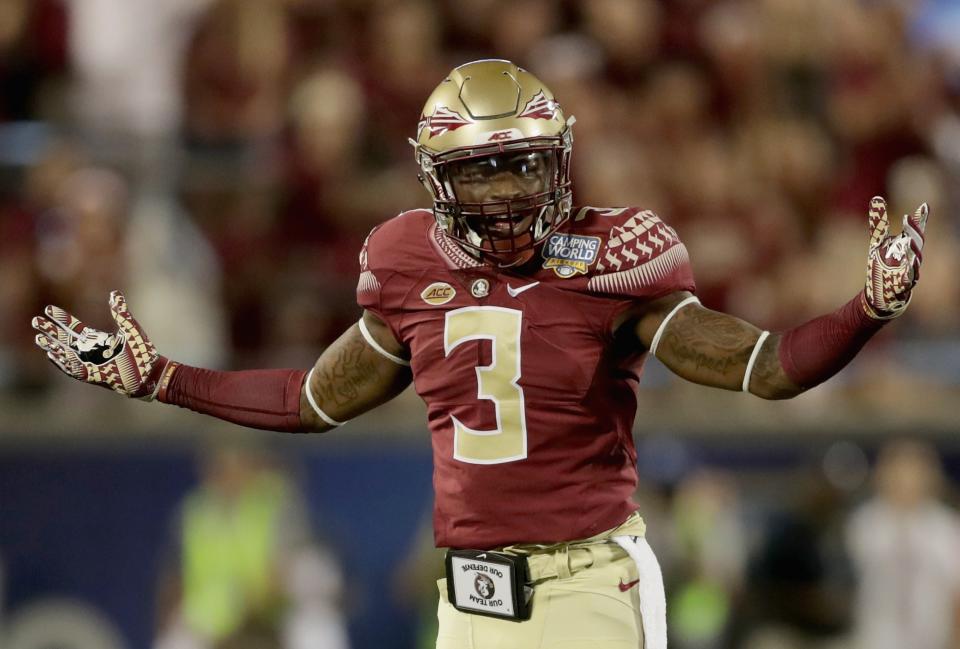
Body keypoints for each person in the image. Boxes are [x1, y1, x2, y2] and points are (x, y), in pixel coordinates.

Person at [31, 60, 928, 649]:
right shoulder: (405, 260)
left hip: (590, 584)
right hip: (469, 602)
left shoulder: (615, 255)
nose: (503, 196)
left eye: (522, 167)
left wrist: (868, 307)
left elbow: (765, 365)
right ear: (435, 182)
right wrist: (159, 377)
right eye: (479, 173)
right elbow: (311, 397)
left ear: (561, 162)